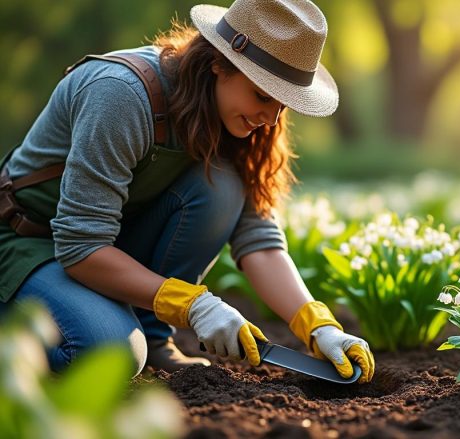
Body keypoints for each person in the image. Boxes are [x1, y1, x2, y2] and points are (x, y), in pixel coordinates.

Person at [0, 0, 374, 383]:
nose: (271, 119)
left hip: (102, 244)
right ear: (219, 64)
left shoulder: (236, 116)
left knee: (223, 187)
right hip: (25, 240)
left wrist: (318, 325)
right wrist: (192, 304)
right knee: (108, 353)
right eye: (263, 96)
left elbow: (258, 239)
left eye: (283, 105)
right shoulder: (121, 95)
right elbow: (80, 245)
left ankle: (153, 339)